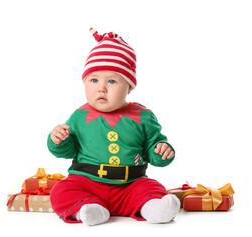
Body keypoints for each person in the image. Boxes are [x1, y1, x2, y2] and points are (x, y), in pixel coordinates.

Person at [47, 28, 180, 226]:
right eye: (93, 80)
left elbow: (154, 147)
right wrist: (58, 140)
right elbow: (70, 150)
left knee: (152, 187)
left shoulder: (142, 116)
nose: (101, 88)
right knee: (61, 191)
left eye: (112, 81)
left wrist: (161, 152)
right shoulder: (80, 116)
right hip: (87, 182)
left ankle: (153, 208)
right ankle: (87, 209)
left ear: (129, 87)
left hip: (130, 185)